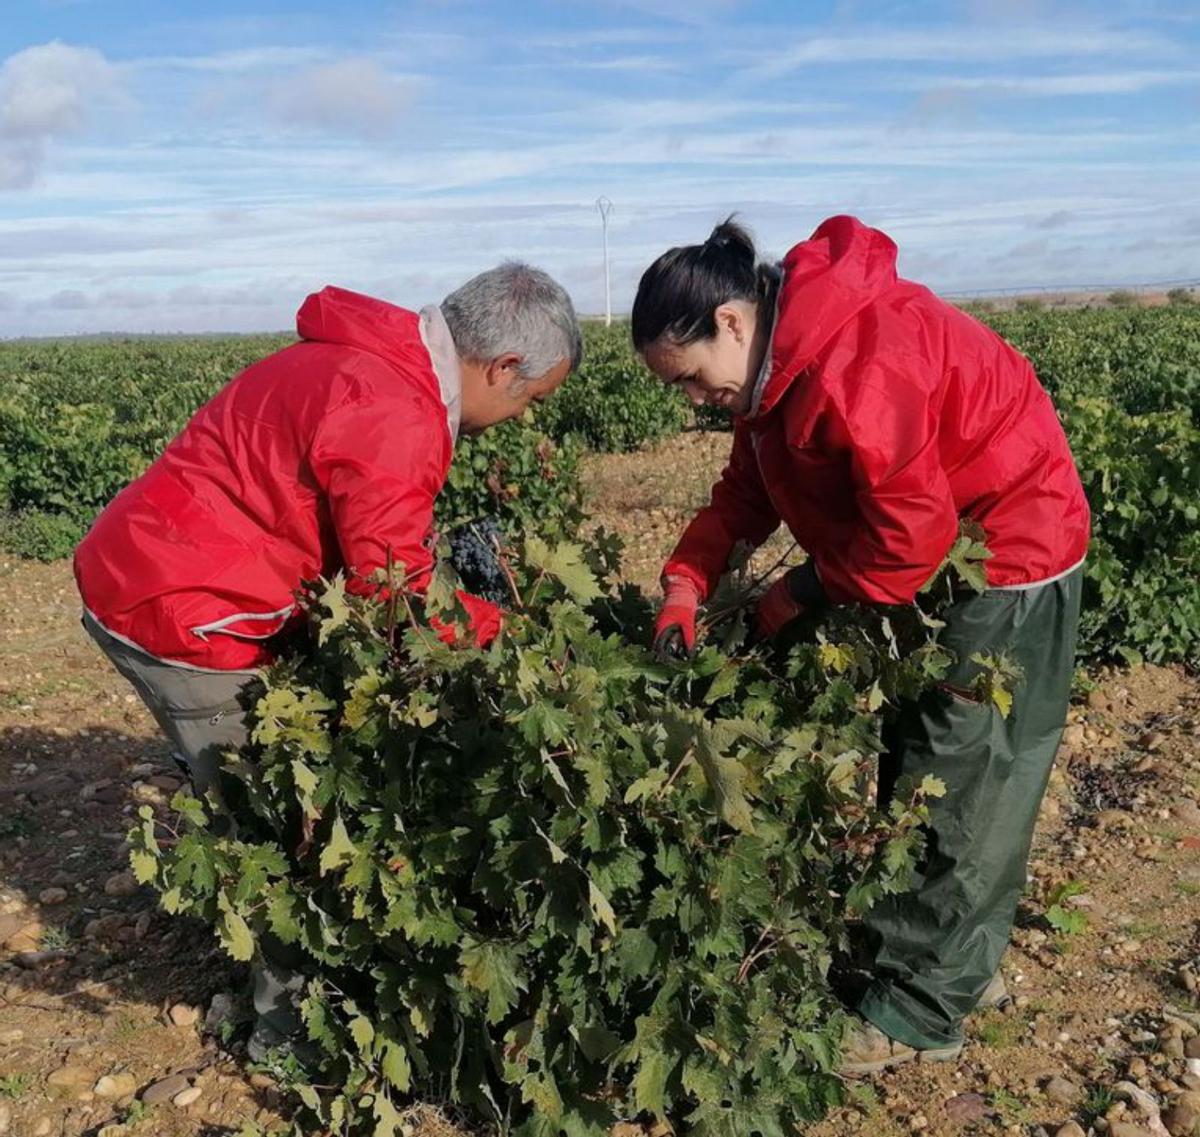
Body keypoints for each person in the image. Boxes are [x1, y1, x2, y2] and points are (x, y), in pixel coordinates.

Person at [74, 262, 581, 1058]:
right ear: (502, 367)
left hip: (158, 566)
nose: (521, 417)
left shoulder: (369, 362)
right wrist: (506, 633)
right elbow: (393, 595)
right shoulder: (394, 408)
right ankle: (286, 1035)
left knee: (271, 785)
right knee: (274, 822)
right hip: (184, 612)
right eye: (531, 398)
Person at [632, 215, 1089, 1075]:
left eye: (691, 379)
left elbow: (910, 540)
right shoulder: (775, 373)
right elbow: (743, 493)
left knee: (958, 777)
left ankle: (919, 1012)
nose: (693, 401)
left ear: (732, 321)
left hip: (1006, 551)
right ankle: (957, 961)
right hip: (942, 554)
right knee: (934, 760)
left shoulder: (856, 363)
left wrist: (794, 591)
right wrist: (686, 584)